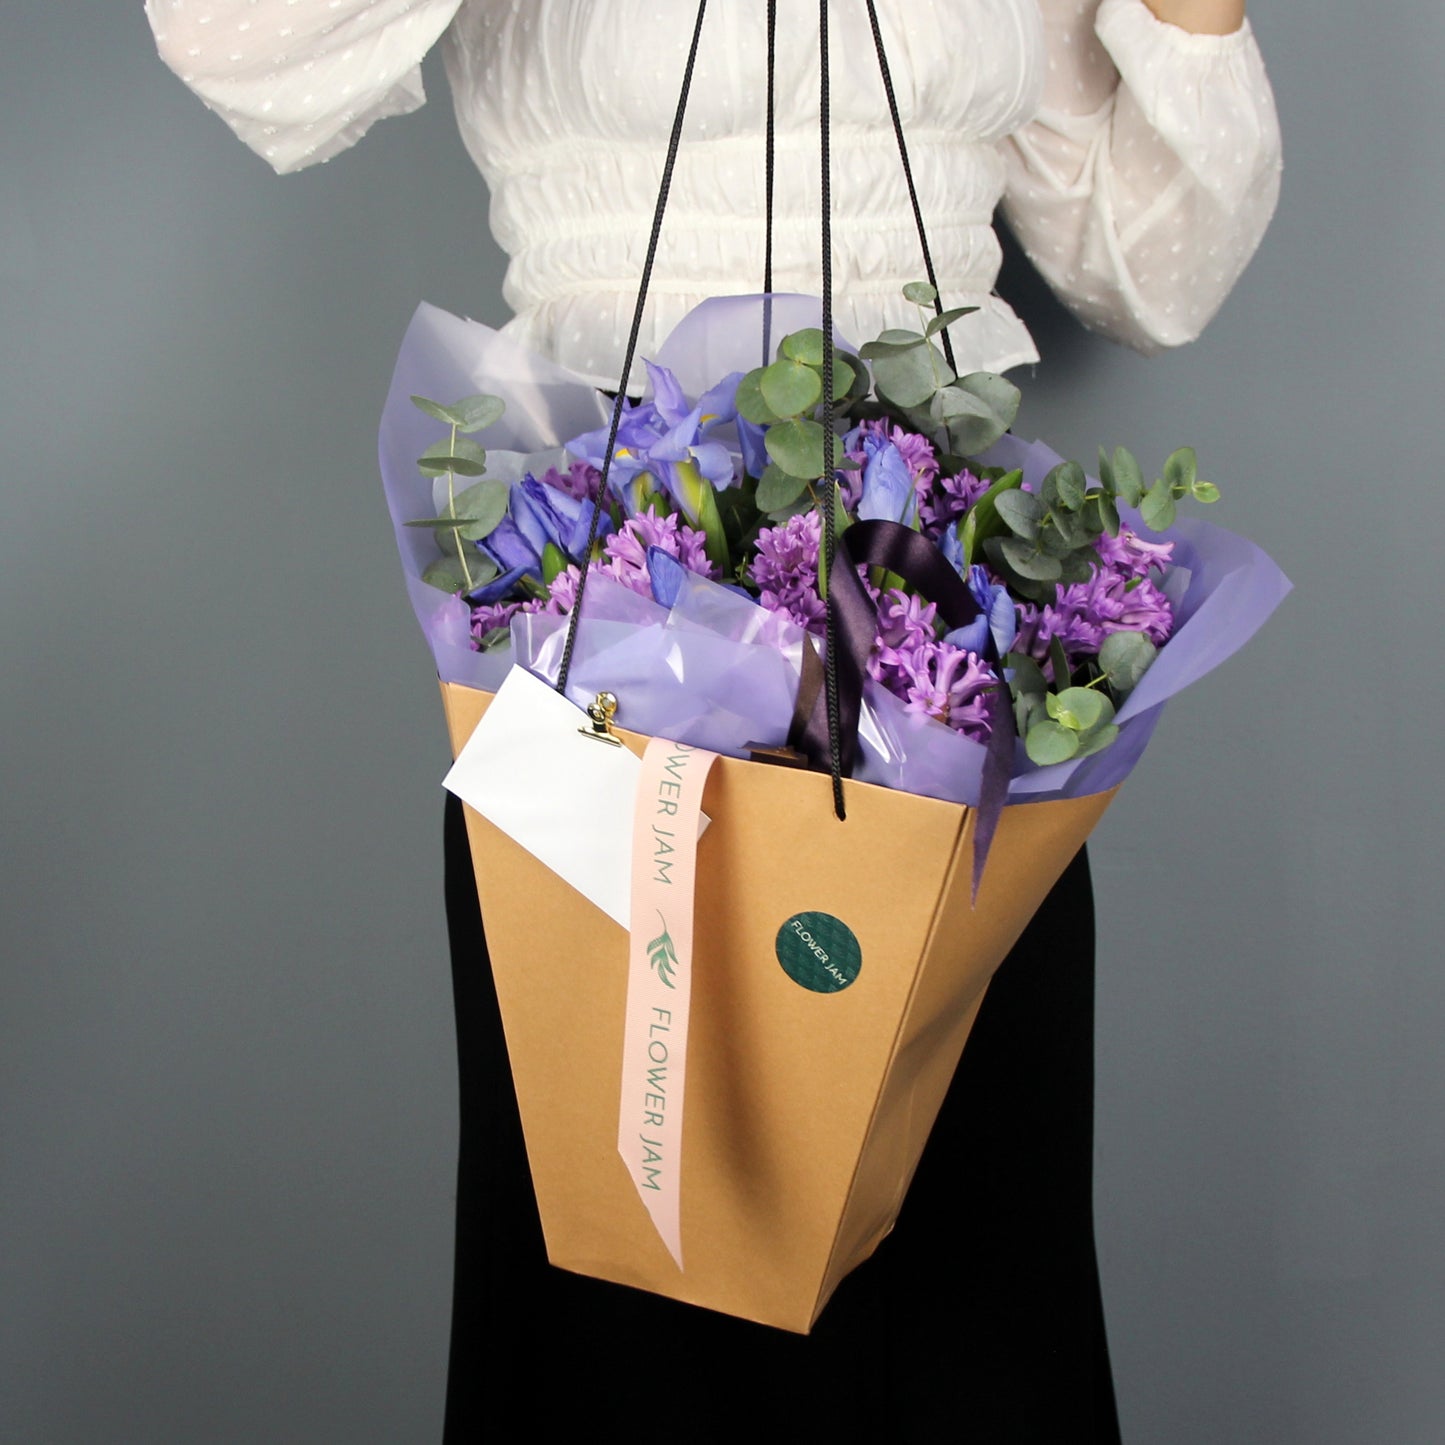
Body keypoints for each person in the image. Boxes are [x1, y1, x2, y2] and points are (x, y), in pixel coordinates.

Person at [145, 2, 1281, 1438]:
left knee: (969, 1284)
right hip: (618, 619)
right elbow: (248, 49)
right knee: (624, 1312)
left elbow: (1148, 268)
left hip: (937, 619)